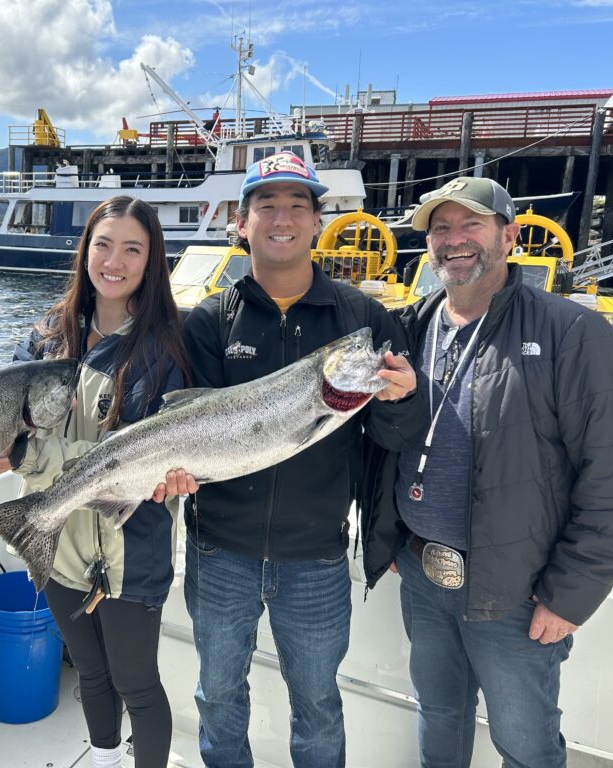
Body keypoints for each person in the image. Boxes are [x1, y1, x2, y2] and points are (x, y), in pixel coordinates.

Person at [360, 177, 613, 768]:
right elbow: (383, 445)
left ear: (509, 234)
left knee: (524, 743)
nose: (454, 240)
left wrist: (569, 596)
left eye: (471, 224)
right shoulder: (411, 328)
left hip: (518, 589)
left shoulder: (572, 333)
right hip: (423, 570)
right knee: (438, 716)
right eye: (440, 229)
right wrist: (390, 537)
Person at [180, 152, 428, 768]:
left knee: (318, 705)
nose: (281, 218)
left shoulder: (363, 320)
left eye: (298, 205)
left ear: (318, 221)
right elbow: (187, 433)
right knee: (217, 697)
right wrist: (176, 475)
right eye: (267, 205)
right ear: (242, 223)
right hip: (218, 551)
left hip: (316, 557)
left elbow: (394, 437)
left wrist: (402, 398)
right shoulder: (210, 320)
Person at [0, 195, 193, 768]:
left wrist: (35, 454)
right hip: (51, 537)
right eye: (103, 244)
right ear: (85, 251)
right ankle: (104, 759)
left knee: (137, 684)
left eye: (133, 248)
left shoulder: (162, 349)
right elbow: (7, 428)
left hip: (129, 547)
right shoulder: (46, 336)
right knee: (90, 670)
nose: (114, 260)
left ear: (152, 259)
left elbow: (135, 459)